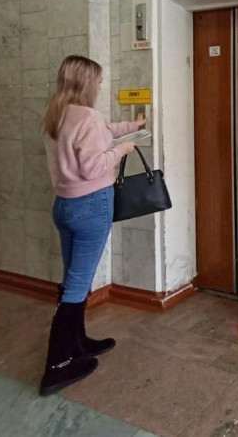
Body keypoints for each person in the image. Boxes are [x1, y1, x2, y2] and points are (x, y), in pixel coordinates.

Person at [39, 55, 145, 396]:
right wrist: (123, 149)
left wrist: (131, 125)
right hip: (91, 205)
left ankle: (78, 342)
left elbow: (102, 132)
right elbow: (94, 166)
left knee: (74, 279)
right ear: (87, 83)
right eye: (98, 81)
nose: (100, 86)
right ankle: (58, 365)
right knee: (76, 285)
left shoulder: (56, 114)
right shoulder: (88, 116)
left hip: (64, 206)